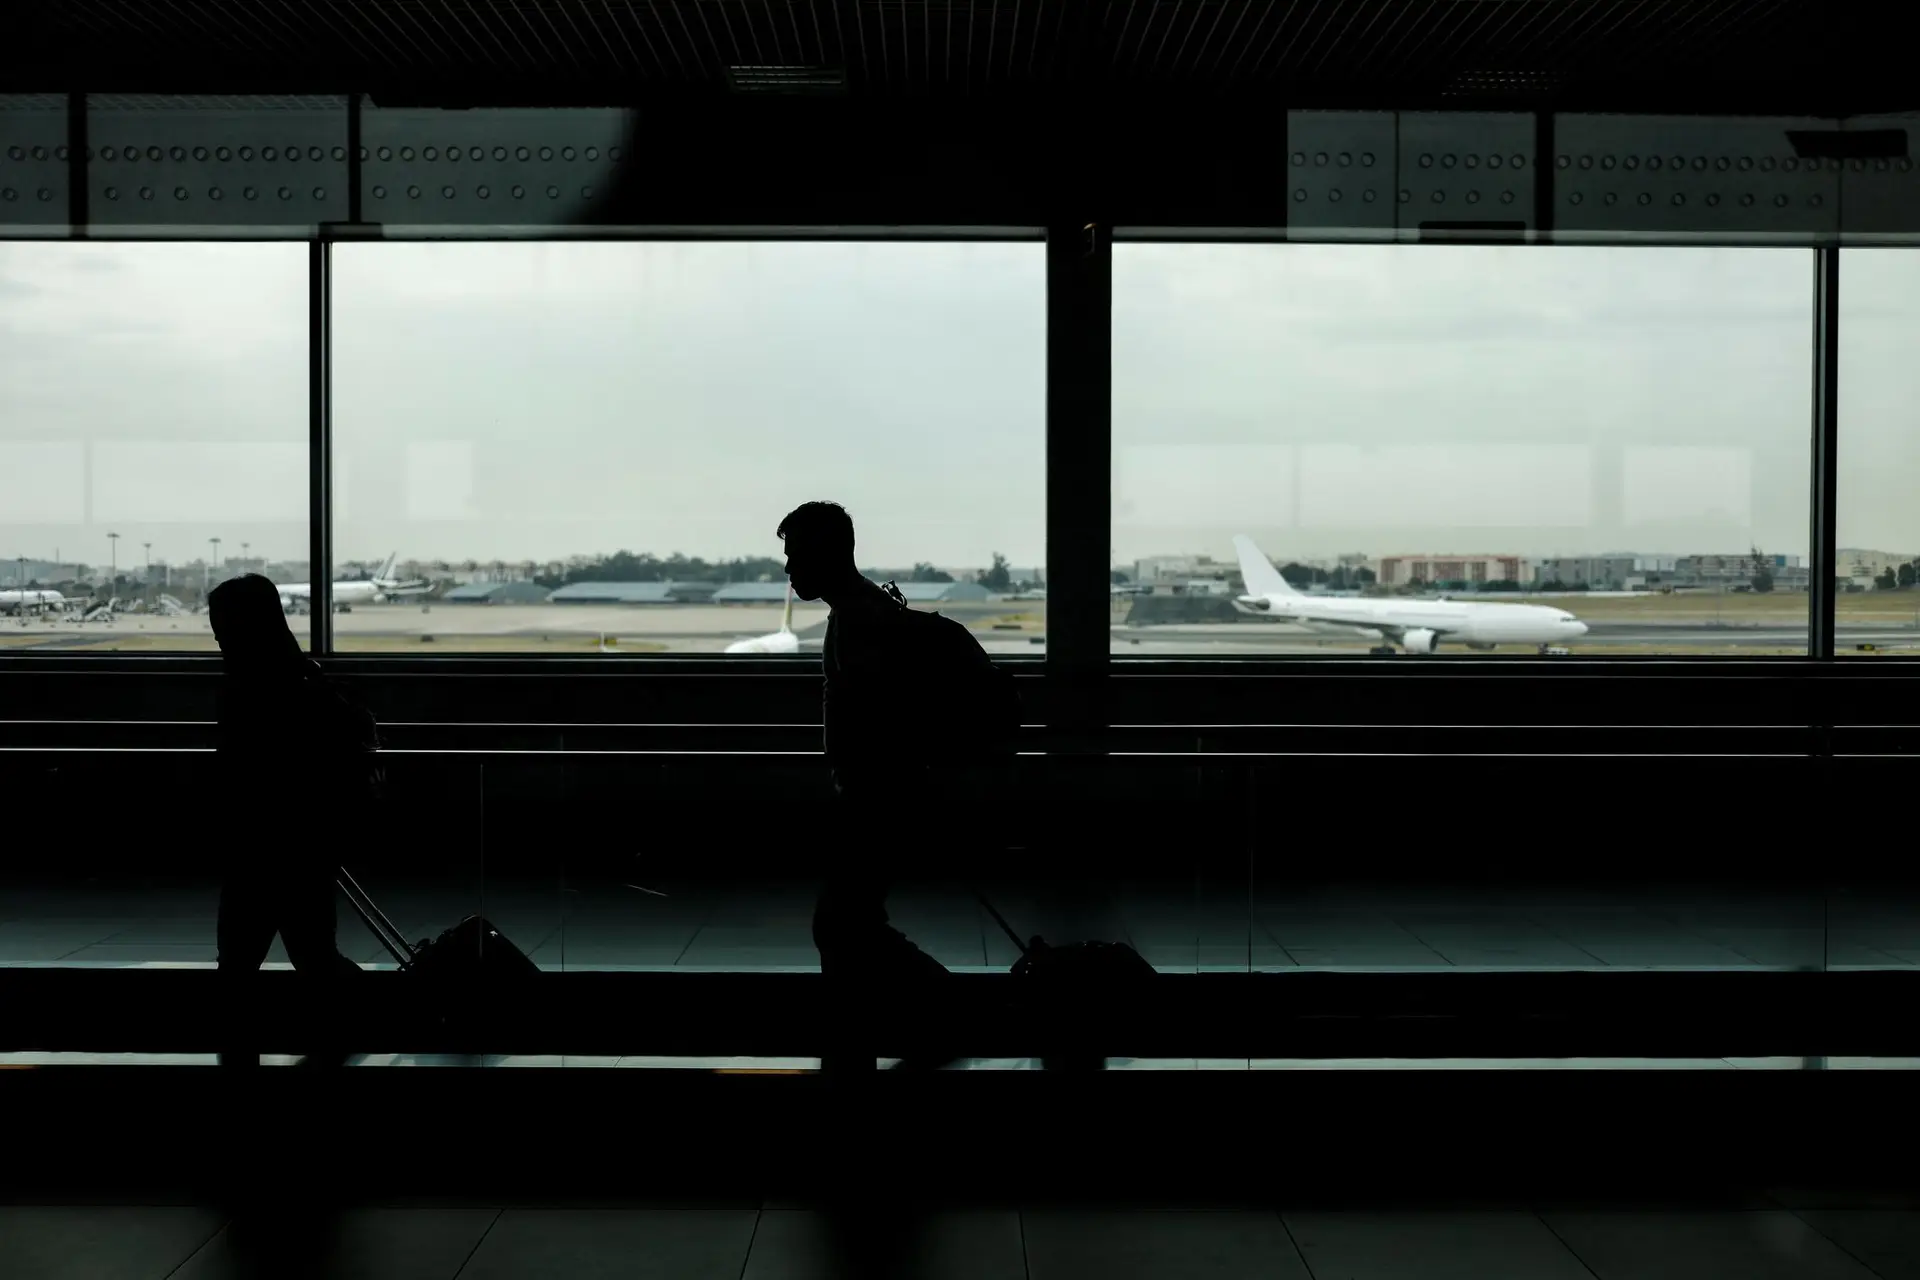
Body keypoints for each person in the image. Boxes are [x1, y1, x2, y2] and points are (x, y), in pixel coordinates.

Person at [778, 501, 974, 1070]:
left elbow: (881, 728)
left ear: (825, 553)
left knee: (842, 924)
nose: (789, 570)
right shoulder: (862, 613)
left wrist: (861, 790)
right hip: (880, 797)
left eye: (796, 556)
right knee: (850, 924)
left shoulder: (862, 623)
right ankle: (873, 1027)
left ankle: (920, 1014)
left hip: (878, 800)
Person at [209, 573, 377, 1066]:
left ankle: (243, 1053)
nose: (218, 639)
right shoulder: (310, 683)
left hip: (261, 846)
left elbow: (243, 774)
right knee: (312, 954)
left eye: (222, 628)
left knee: (242, 965)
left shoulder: (245, 690)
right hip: (306, 844)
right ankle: (357, 1031)